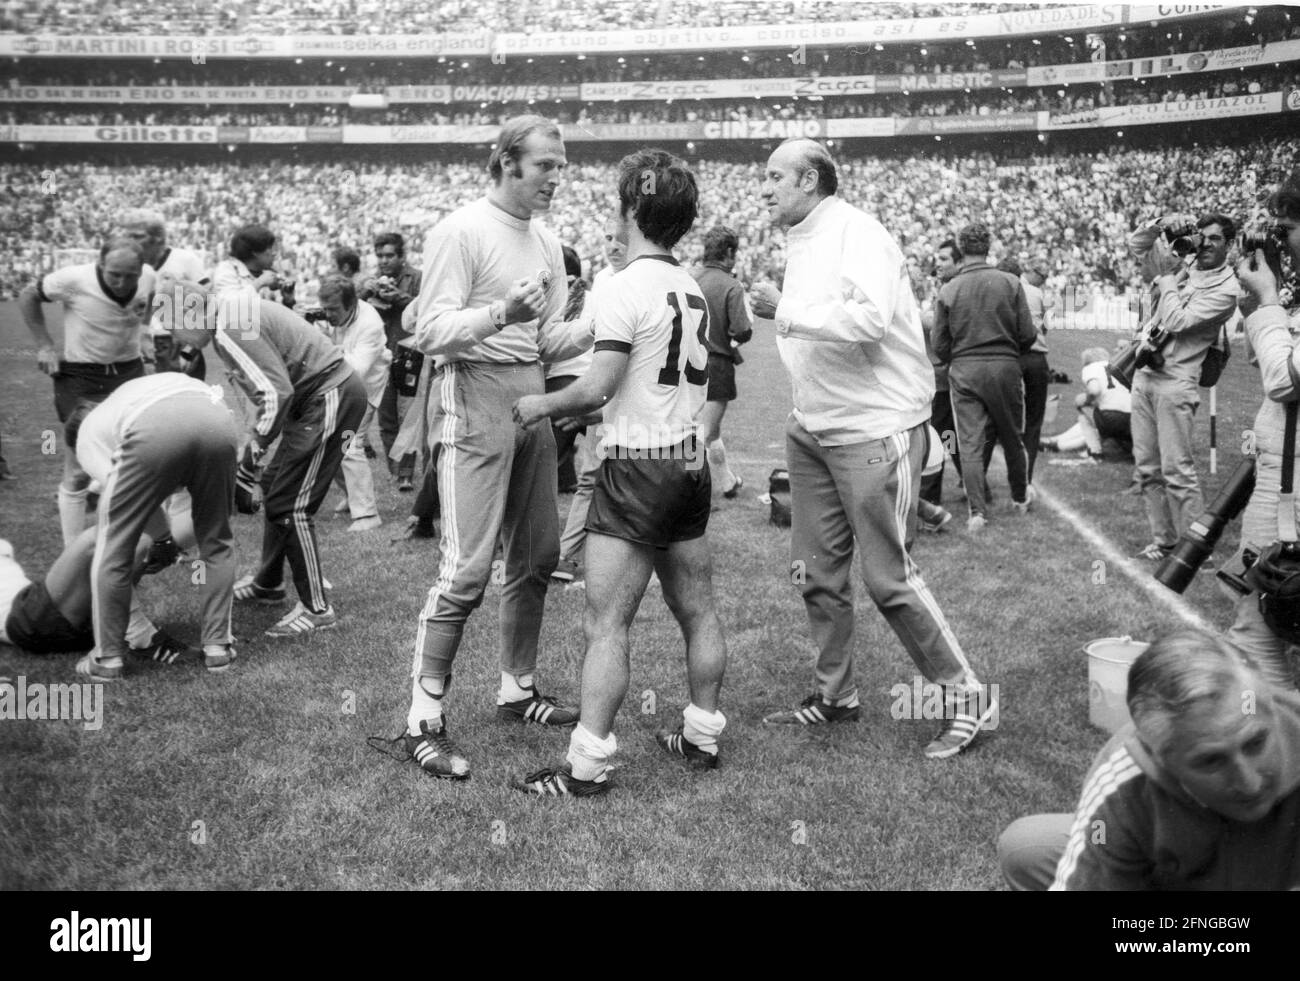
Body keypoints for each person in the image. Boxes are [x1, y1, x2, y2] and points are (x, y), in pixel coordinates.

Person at [749, 138, 996, 760]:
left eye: (774, 176)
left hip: (873, 427)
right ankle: (836, 695)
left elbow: (870, 321)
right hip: (813, 427)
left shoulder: (858, 232)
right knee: (815, 572)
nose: (764, 187)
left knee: (889, 579)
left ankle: (967, 697)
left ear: (810, 180)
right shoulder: (804, 236)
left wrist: (786, 310)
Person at [511, 148, 727, 796]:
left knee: (606, 621)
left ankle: (587, 765)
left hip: (637, 463)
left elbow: (598, 388)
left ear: (634, 206)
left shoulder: (624, 283)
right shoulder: (689, 285)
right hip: (688, 462)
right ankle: (702, 734)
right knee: (698, 608)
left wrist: (538, 404)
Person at [396, 115, 598, 781]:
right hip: (474, 388)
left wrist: (603, 322)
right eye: (545, 165)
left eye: (561, 166)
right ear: (508, 162)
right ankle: (421, 717)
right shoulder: (461, 229)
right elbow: (427, 330)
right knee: (466, 569)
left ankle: (517, 687)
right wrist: (499, 315)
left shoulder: (547, 238)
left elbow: (546, 339)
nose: (556, 178)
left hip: (529, 393)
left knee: (539, 554)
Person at [998, 629, 1300, 890]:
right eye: (1211, 761)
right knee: (1028, 848)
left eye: (1256, 743)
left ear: (1272, 707)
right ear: (1160, 759)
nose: (1250, 783)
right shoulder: (1122, 784)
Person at [161, 276, 367, 637]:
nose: (176, 339)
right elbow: (270, 393)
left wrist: (248, 460)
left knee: (290, 505)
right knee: (276, 490)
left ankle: (317, 609)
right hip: (322, 395)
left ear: (188, 314)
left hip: (327, 395)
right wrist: (252, 457)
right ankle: (269, 584)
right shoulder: (230, 317)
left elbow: (276, 393)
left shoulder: (228, 327)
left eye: (173, 327)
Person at [69, 372, 240, 680]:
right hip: (217, 416)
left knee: (112, 549)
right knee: (217, 541)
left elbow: (124, 500)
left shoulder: (87, 436)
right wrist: (165, 540)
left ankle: (106, 658)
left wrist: (161, 538)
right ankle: (218, 648)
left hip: (154, 426)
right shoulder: (124, 398)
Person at [18, 238, 155, 545]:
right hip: (80, 376)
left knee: (129, 454)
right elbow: (28, 294)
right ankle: (72, 551)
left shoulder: (148, 277)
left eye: (130, 275)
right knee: (77, 468)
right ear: (100, 265)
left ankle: (119, 520)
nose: (122, 282)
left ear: (140, 269)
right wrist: (44, 345)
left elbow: (150, 296)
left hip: (128, 371)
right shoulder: (73, 279)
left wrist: (144, 332)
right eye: (114, 274)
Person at [1224, 171, 1300, 692]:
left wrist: (1270, 295)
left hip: (1291, 496)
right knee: (1257, 627)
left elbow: (1283, 379)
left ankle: (1268, 760)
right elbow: (1268, 356)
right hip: (1282, 486)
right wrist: (1261, 304)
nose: (1282, 240)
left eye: (1290, 228)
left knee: (1256, 638)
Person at [1127, 212, 1240, 561]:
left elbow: (1178, 320)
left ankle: (1195, 553)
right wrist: (1161, 223)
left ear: (1229, 245)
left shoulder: (1227, 289)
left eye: (1216, 239)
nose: (1205, 244)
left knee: (1177, 471)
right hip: (1145, 373)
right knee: (1147, 470)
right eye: (1201, 237)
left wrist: (1167, 281)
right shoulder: (1183, 263)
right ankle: (1164, 541)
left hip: (1176, 382)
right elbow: (1138, 245)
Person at [933, 223, 1037, 532]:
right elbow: (1028, 333)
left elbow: (939, 344)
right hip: (1005, 366)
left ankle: (977, 512)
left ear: (961, 250)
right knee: (1012, 436)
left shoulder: (949, 289)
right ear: (988, 247)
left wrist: (959, 356)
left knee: (970, 443)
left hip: (965, 369)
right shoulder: (1010, 282)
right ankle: (1020, 499)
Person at [551, 220, 628, 586]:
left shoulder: (640, 281)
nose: (613, 246)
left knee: (632, 477)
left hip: (634, 400)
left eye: (621, 239)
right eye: (608, 238)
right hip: (604, 390)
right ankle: (567, 557)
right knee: (590, 478)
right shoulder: (602, 281)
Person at [318, 274, 390, 533]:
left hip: (364, 391)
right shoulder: (339, 315)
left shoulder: (369, 324)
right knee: (330, 444)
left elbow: (357, 369)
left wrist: (327, 351)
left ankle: (367, 514)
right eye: (324, 308)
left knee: (349, 445)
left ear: (351, 304)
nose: (328, 315)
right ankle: (351, 494)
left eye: (333, 309)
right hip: (342, 389)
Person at [692, 225, 754, 500]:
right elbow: (742, 330)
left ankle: (727, 483)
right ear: (729, 252)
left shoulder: (690, 278)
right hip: (716, 365)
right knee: (703, 435)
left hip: (685, 364)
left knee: (708, 430)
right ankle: (689, 495)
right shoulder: (731, 285)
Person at [359, 231, 422, 491]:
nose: (384, 260)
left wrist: (397, 296)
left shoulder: (416, 278)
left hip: (411, 352)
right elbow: (354, 306)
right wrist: (366, 291)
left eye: (389, 255)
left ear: (401, 256)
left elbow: (424, 308)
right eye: (380, 255)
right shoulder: (372, 279)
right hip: (383, 353)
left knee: (408, 416)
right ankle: (394, 470)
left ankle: (406, 473)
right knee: (386, 418)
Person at [542, 245, 592, 495]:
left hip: (560, 388)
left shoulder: (551, 301)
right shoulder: (597, 297)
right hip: (594, 388)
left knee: (541, 472)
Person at [919, 238, 963, 511]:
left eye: (945, 259)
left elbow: (942, 328)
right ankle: (972, 480)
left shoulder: (953, 289)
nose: (939, 263)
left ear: (959, 262)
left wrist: (919, 317)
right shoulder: (948, 287)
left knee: (937, 433)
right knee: (948, 432)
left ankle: (931, 496)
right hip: (943, 375)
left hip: (943, 375)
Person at [1000, 256, 1049, 492]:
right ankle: (1024, 481)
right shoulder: (1034, 293)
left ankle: (974, 478)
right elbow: (1044, 328)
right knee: (1033, 421)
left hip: (1010, 357)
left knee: (1006, 420)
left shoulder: (999, 291)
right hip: (1035, 357)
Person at [1041, 347, 1132, 460]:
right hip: (1133, 419)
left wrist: (1086, 400)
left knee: (1085, 412)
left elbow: (1094, 390)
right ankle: (1056, 443)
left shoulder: (1091, 368)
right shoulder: (1118, 367)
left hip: (1112, 418)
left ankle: (1094, 452)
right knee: (1095, 415)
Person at [213, 224, 295, 309]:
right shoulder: (227, 269)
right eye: (270, 248)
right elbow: (229, 305)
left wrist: (288, 300)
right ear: (256, 252)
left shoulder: (268, 273)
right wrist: (260, 283)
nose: (274, 253)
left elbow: (276, 317)